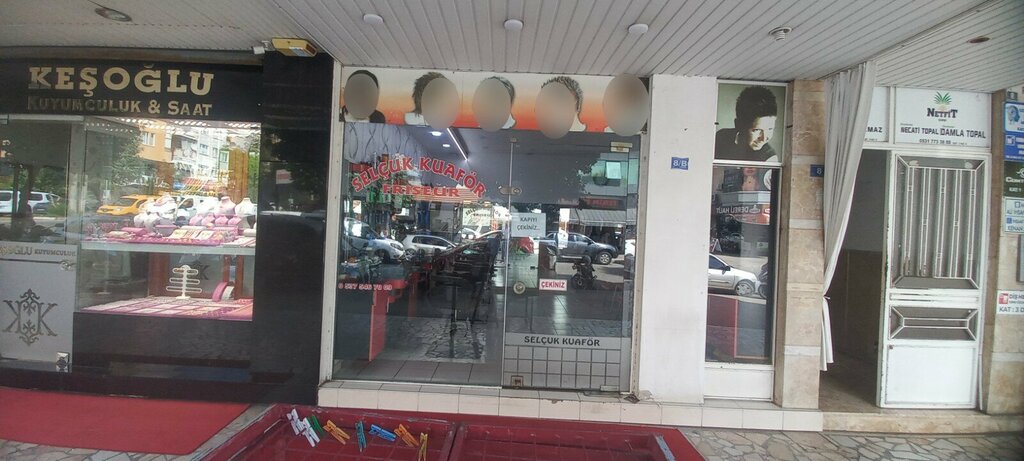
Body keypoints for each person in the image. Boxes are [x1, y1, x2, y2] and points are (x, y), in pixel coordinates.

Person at [715, 86, 779, 162]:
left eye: (770, 129)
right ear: (738, 125)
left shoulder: (769, 159)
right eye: (757, 130)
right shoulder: (720, 138)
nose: (764, 138)